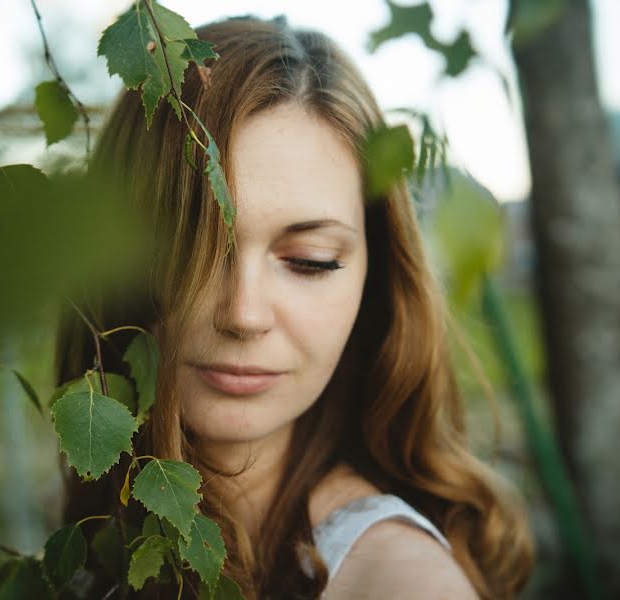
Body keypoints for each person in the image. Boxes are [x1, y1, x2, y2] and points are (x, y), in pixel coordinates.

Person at [55, 14, 534, 600]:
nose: (244, 313)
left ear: (374, 281)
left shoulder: (398, 581)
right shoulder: (102, 536)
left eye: (310, 260)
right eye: (193, 246)